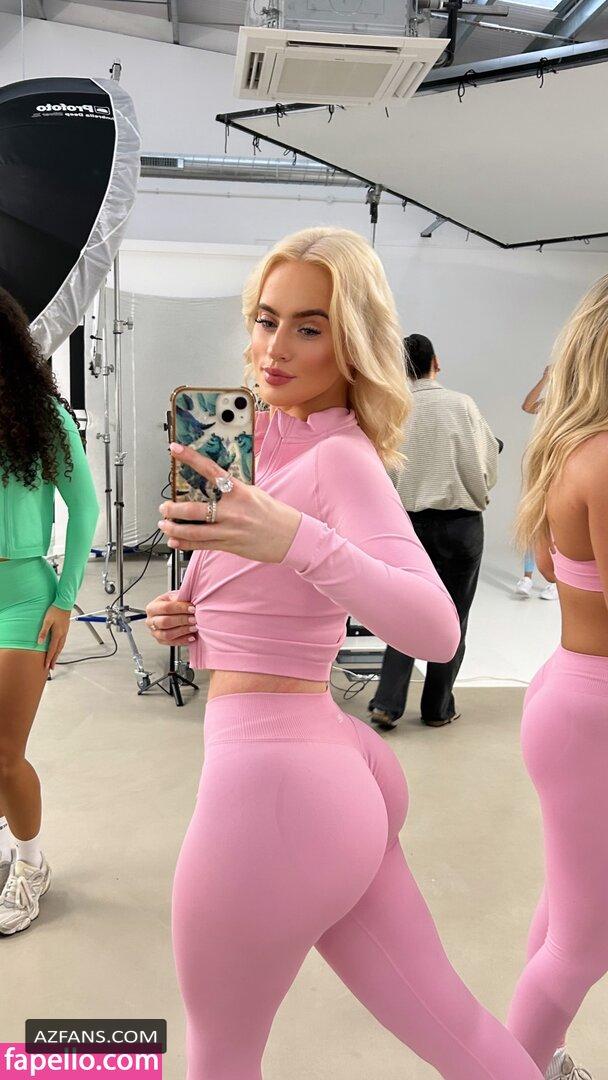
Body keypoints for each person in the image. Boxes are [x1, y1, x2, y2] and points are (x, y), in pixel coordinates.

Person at [146, 228, 543, 1080]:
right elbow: (274, 604)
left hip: (276, 787)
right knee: (456, 1029)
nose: (274, 348)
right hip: (319, 771)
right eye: (266, 320)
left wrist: (295, 539)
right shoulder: (268, 446)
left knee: (220, 1060)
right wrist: (190, 618)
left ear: (353, 343)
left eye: (309, 328)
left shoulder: (338, 457)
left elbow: (435, 631)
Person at [506, 275, 608, 1080]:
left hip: (573, 693)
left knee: (569, 914)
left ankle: (531, 1057)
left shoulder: (573, 449)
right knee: (584, 944)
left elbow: (554, 564)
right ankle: (512, 1066)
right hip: (593, 712)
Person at [0, 289, 99, 934]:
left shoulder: (42, 416)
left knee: (4, 753)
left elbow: (84, 507)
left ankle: (31, 864)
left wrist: (65, 601)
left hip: (24, 600)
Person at [369, 333, 499, 730]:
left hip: (407, 526)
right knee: (454, 616)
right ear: (436, 363)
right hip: (461, 525)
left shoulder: (392, 411)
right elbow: (488, 461)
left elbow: (379, 470)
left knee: (405, 612)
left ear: (401, 368)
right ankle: (437, 709)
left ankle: (388, 703)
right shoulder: (463, 405)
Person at [515, 367, 557, 602]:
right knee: (532, 520)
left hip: (561, 467)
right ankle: (527, 577)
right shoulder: (552, 402)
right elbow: (528, 405)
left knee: (556, 524)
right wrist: (545, 379)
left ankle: (556, 581)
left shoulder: (577, 406)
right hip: (540, 466)